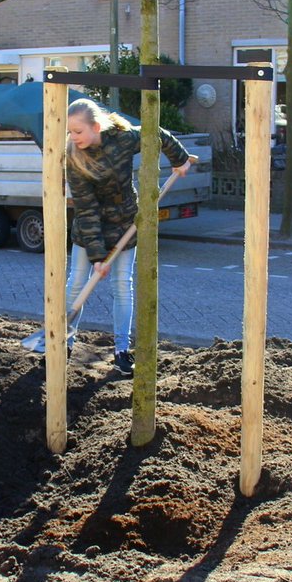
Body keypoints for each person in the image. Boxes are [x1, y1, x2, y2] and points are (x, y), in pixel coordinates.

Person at [60, 98, 193, 377]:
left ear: (96, 126)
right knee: (76, 286)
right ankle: (64, 344)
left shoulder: (123, 139)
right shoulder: (74, 157)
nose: (73, 137)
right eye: (70, 132)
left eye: (78, 131)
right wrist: (98, 257)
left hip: (124, 225)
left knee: (122, 286)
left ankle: (121, 351)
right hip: (89, 232)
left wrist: (179, 160)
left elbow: (156, 134)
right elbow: (86, 209)